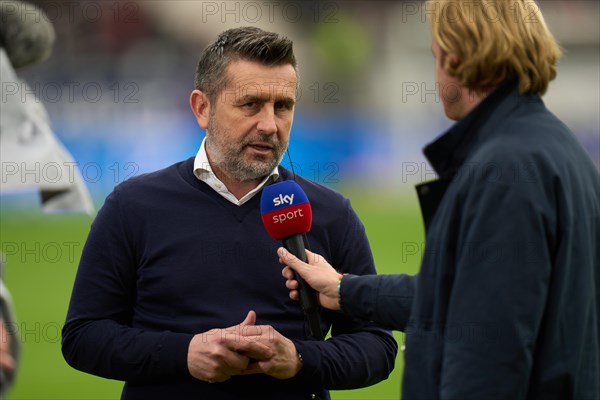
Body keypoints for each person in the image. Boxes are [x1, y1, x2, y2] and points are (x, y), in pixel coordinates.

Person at [280, 1, 600, 399]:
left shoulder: (504, 171)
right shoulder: (556, 148)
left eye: (435, 56)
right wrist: (345, 291)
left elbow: (488, 353)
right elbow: (469, 294)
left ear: (456, 56)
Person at [61, 26, 397, 400]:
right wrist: (185, 354)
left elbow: (377, 347)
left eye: (282, 106)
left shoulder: (331, 212)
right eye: (250, 104)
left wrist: (300, 357)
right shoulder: (132, 206)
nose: (270, 125)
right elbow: (83, 337)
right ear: (202, 108)